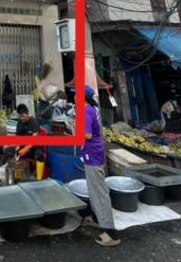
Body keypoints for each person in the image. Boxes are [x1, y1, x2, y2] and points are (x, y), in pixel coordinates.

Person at [79, 86, 120, 247]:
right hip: (94, 153)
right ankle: (96, 218)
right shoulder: (91, 109)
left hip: (92, 156)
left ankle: (111, 233)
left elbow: (87, 134)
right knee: (94, 190)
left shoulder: (86, 111)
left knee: (99, 192)